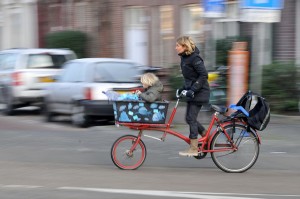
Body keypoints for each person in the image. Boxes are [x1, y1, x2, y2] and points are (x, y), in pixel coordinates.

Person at [175, 36, 210, 157]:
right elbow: (190, 78)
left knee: (191, 118)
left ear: (184, 46)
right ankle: (206, 136)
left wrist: (193, 89)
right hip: (193, 92)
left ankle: (194, 148)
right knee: (189, 118)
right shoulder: (184, 59)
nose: (176, 48)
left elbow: (203, 75)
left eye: (177, 45)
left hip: (200, 92)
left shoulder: (195, 58)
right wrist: (183, 88)